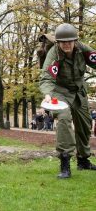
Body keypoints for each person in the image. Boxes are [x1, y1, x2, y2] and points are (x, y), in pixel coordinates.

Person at [40, 23, 96, 179]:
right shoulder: (54, 54)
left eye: (69, 41)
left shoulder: (81, 48)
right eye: (63, 42)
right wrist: (47, 94)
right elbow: (46, 77)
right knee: (64, 119)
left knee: (85, 125)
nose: (66, 45)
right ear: (58, 42)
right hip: (60, 93)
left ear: (75, 41)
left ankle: (83, 160)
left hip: (79, 92)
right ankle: (65, 164)